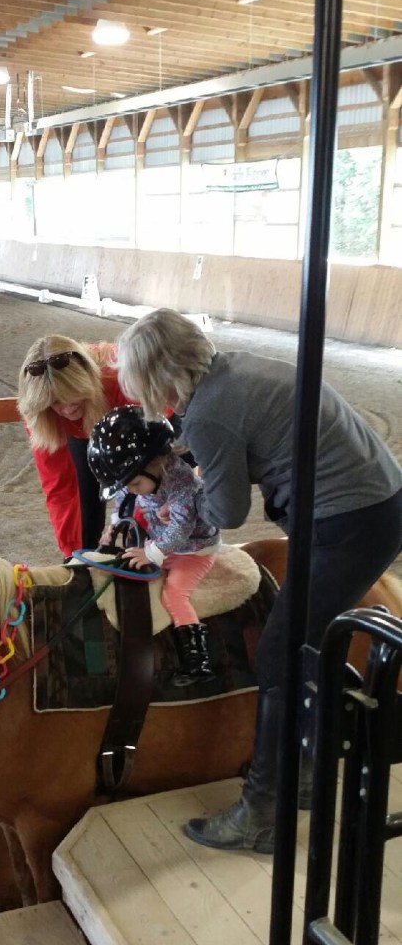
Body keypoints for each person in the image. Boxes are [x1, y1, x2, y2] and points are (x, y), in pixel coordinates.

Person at [116, 308, 402, 853]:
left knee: (279, 654)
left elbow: (227, 512)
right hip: (374, 504)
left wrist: (189, 492)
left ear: (159, 376)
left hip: (348, 522)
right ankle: (307, 772)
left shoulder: (210, 411)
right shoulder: (235, 369)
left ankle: (262, 812)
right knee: (305, 641)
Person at [88, 405, 220, 684]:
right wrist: (115, 524)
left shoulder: (183, 482)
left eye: (135, 483)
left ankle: (197, 660)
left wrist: (151, 552)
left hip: (193, 550)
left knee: (174, 594)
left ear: (156, 462)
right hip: (161, 539)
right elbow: (125, 498)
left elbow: (181, 528)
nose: (132, 489)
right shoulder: (142, 477)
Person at [17, 334, 134, 558]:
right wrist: (74, 555)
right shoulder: (41, 415)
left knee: (140, 513)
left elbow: (156, 465)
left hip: (132, 412)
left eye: (73, 395)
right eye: (56, 402)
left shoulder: (121, 378)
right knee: (84, 513)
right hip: (84, 428)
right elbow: (60, 487)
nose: (68, 408)